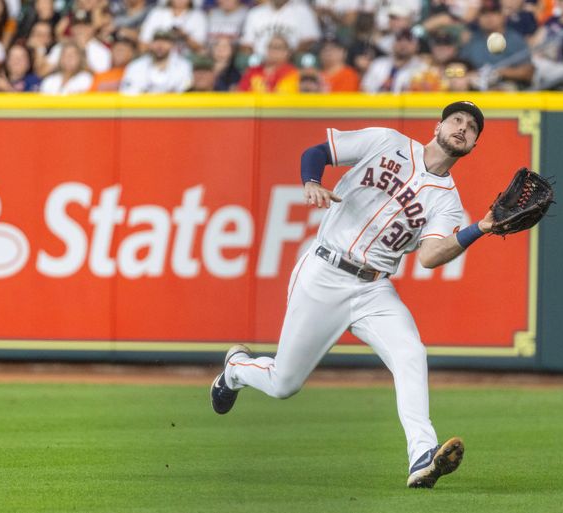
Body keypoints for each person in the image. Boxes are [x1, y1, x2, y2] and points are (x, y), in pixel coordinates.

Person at [210, 101, 500, 489]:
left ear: (474, 145)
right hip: (325, 271)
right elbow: (317, 152)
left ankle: (422, 455)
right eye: (457, 120)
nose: (463, 128)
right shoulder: (386, 141)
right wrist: (311, 181)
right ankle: (236, 369)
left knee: (410, 354)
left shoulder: (447, 203)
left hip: (373, 288)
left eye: (472, 127)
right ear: (439, 125)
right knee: (284, 384)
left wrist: (479, 227)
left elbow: (430, 256)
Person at [120, 29, 193, 93]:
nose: (160, 45)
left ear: (172, 45)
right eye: (157, 41)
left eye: (165, 42)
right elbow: (127, 93)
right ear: (150, 44)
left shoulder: (184, 66)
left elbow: (185, 93)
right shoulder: (136, 66)